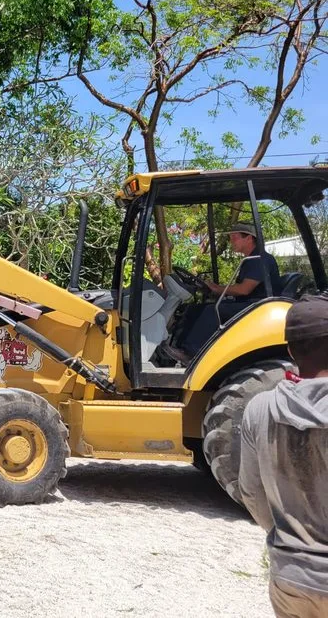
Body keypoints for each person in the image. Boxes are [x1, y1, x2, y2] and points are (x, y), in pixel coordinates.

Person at [238, 295, 328, 617]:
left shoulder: (258, 409)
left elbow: (251, 492)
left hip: (289, 580)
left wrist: (284, 540)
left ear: (290, 350)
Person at [179, 221, 281, 356]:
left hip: (256, 306)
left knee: (212, 311)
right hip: (251, 304)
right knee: (195, 308)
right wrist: (216, 289)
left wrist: (217, 289)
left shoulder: (258, 259)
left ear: (249, 238)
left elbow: (244, 289)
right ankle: (179, 347)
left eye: (235, 237)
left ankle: (191, 352)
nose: (231, 241)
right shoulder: (251, 259)